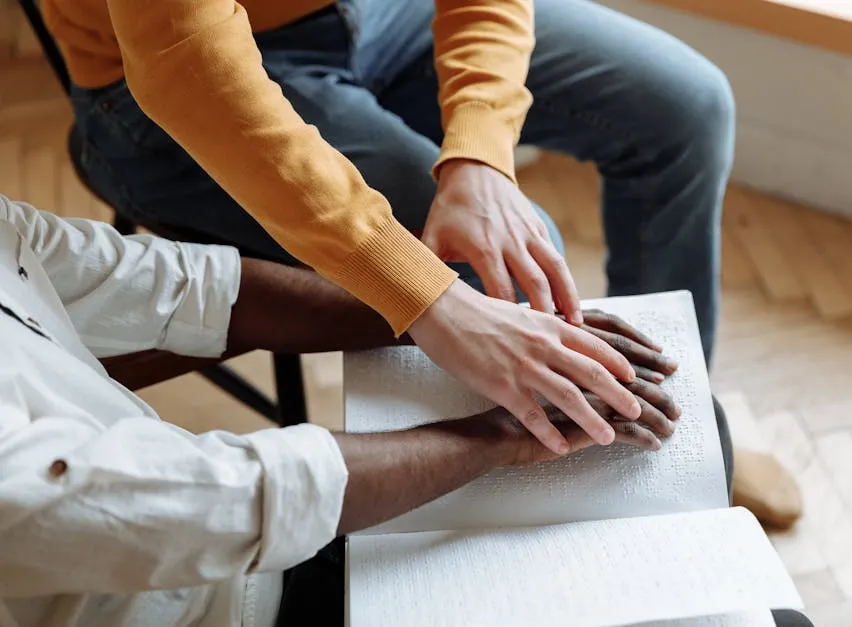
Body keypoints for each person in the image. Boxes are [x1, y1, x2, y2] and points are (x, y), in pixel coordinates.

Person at [44, 0, 799, 525]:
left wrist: (481, 153)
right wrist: (430, 299)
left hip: (371, 15)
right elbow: (186, 61)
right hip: (157, 91)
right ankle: (544, 510)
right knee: (499, 268)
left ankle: (675, 439)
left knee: (689, 108)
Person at [0, 195, 815, 626]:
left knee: (683, 416)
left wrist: (450, 313)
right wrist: (493, 437)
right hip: (231, 599)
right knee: (768, 618)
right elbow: (209, 503)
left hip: (262, 534)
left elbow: (188, 288)